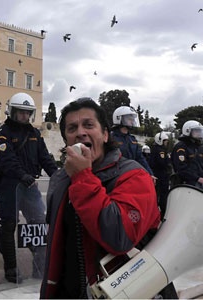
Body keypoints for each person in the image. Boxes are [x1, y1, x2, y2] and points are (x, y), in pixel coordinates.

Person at [39, 98, 178, 299]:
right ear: (66, 140)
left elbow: (119, 237)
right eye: (72, 128)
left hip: (125, 291)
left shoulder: (134, 176)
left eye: (88, 125)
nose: (80, 132)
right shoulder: (60, 180)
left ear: (105, 134)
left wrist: (82, 177)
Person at [0, 92, 57, 283]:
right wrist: (23, 176)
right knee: (8, 225)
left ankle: (40, 266)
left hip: (30, 187)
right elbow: (7, 160)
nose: (24, 116)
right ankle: (11, 268)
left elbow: (45, 157)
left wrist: (59, 176)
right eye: (21, 112)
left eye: (28, 113)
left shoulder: (34, 133)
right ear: (12, 112)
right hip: (9, 186)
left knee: (38, 225)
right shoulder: (3, 133)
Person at [111, 106, 155, 178]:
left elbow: (140, 158)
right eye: (129, 119)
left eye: (132, 119)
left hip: (132, 175)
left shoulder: (132, 139)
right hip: (116, 176)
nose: (132, 121)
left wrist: (150, 173)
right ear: (119, 118)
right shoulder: (111, 138)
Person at [171, 120, 203, 187]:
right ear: (187, 131)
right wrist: (197, 178)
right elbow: (181, 168)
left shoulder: (198, 147)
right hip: (186, 184)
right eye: (196, 131)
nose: (199, 133)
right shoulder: (181, 147)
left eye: (199, 131)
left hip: (199, 182)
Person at [149, 132, 172, 218]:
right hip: (161, 175)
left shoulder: (155, 149)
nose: (166, 143)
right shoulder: (160, 151)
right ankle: (162, 213)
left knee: (157, 194)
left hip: (158, 174)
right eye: (165, 141)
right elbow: (162, 163)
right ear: (160, 141)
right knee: (162, 195)